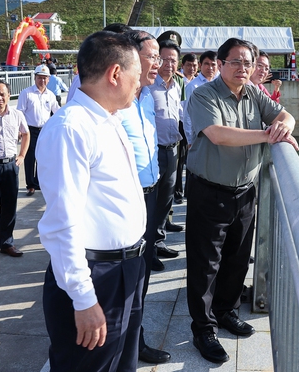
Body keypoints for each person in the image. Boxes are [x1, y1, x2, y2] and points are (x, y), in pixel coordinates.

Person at [36, 31, 146, 372]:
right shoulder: (71, 128)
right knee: (87, 365)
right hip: (96, 275)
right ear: (115, 74)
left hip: (126, 267)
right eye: (136, 76)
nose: (139, 85)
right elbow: (61, 225)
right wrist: (84, 300)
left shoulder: (108, 119)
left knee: (120, 362)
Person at [185, 38, 298, 364]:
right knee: (205, 264)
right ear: (220, 64)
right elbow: (219, 135)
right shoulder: (204, 94)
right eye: (235, 62)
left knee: (236, 258)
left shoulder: (253, 93)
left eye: (247, 63)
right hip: (210, 191)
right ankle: (203, 329)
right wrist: (268, 134)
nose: (243, 68)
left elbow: (286, 116)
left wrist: (283, 128)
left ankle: (226, 311)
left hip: (245, 192)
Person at [119, 30, 172, 364]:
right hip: (127, 200)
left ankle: (135, 343)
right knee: (124, 279)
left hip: (149, 197)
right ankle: (121, 346)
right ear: (131, 57)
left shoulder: (147, 97)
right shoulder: (116, 104)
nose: (160, 63)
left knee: (142, 276)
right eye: (153, 56)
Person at [147, 38, 184, 262]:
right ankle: (148, 248)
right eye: (165, 59)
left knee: (166, 200)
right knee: (151, 200)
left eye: (174, 60)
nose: (169, 64)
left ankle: (158, 241)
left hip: (173, 149)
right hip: (154, 151)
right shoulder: (148, 86)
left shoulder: (176, 85)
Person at [0, 80, 29, 257]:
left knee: (9, 207)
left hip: (10, 167)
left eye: (2, 94)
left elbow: (25, 133)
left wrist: (22, 155)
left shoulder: (16, 114)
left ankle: (7, 244)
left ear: (9, 95)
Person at [17, 64, 60, 196]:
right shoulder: (26, 93)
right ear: (35, 78)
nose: (42, 81)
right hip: (30, 130)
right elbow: (20, 113)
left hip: (45, 130)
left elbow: (57, 111)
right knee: (30, 158)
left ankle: (38, 182)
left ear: (48, 79)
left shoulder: (50, 95)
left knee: (44, 157)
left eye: (45, 78)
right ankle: (30, 185)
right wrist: (19, 130)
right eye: (39, 78)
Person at [174, 53, 197, 204]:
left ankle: (189, 190)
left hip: (194, 124)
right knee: (180, 160)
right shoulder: (178, 80)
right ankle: (177, 192)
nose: (192, 68)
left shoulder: (198, 82)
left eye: (194, 65)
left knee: (192, 158)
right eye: (188, 65)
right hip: (181, 123)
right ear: (183, 66)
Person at [183, 50, 219, 144]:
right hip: (198, 137)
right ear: (200, 65)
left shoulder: (219, 85)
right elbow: (187, 115)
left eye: (213, 64)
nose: (210, 68)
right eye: (206, 64)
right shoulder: (193, 86)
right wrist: (190, 140)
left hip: (216, 136)